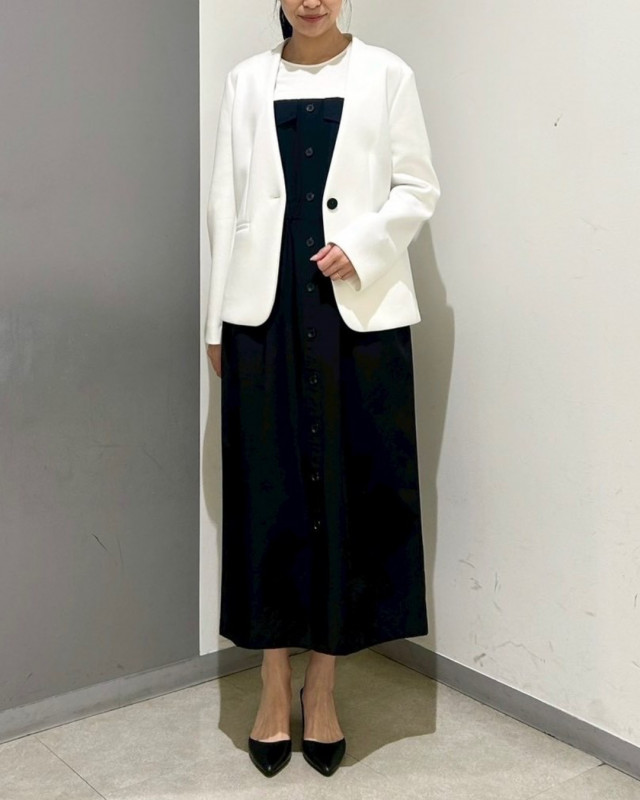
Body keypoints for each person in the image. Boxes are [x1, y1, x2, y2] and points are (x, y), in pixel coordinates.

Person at [204, 0, 440, 779]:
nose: (312, 0)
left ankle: (324, 687)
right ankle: (274, 684)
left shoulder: (388, 74)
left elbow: (417, 188)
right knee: (266, 494)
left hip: (357, 314)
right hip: (263, 312)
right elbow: (224, 206)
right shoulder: (246, 81)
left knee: (349, 494)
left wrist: (362, 244)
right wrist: (214, 321)